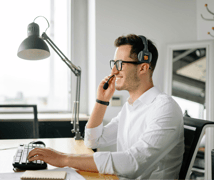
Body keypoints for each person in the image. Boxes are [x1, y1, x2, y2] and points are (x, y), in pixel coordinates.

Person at [28, 34, 184, 179]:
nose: (114, 71)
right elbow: (92, 141)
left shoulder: (165, 108)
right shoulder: (131, 107)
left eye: (120, 64)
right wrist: (101, 101)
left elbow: (133, 163)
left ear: (143, 67)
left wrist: (64, 159)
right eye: (114, 63)